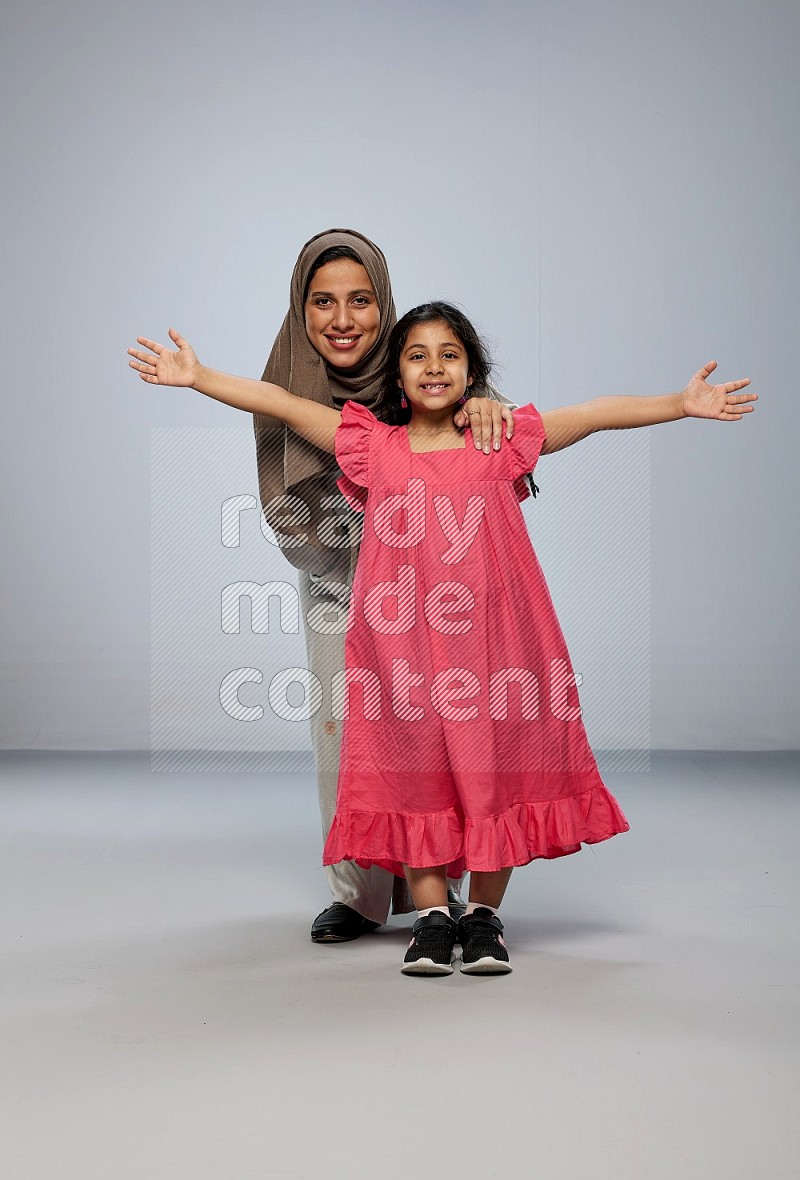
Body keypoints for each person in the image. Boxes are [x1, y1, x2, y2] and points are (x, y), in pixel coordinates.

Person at [127, 302, 757, 976]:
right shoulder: (372, 446)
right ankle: (431, 916)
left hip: (497, 649)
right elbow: (280, 402)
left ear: (472, 372)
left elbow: (596, 413)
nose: (434, 366)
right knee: (415, 772)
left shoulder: (502, 439)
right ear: (398, 375)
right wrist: (199, 377)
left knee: (498, 772)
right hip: (401, 653)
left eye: (449, 354)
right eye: (418, 354)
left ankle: (483, 916)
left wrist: (678, 403)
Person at [207, 230, 523, 942]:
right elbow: (285, 450)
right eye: (322, 302)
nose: (342, 320)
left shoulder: (424, 359)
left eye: (360, 301)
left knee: (447, 734)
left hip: (441, 593)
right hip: (339, 580)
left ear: (385, 305)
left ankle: (452, 899)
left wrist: (486, 407)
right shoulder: (286, 379)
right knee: (339, 732)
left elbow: (492, 421)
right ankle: (358, 895)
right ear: (302, 308)